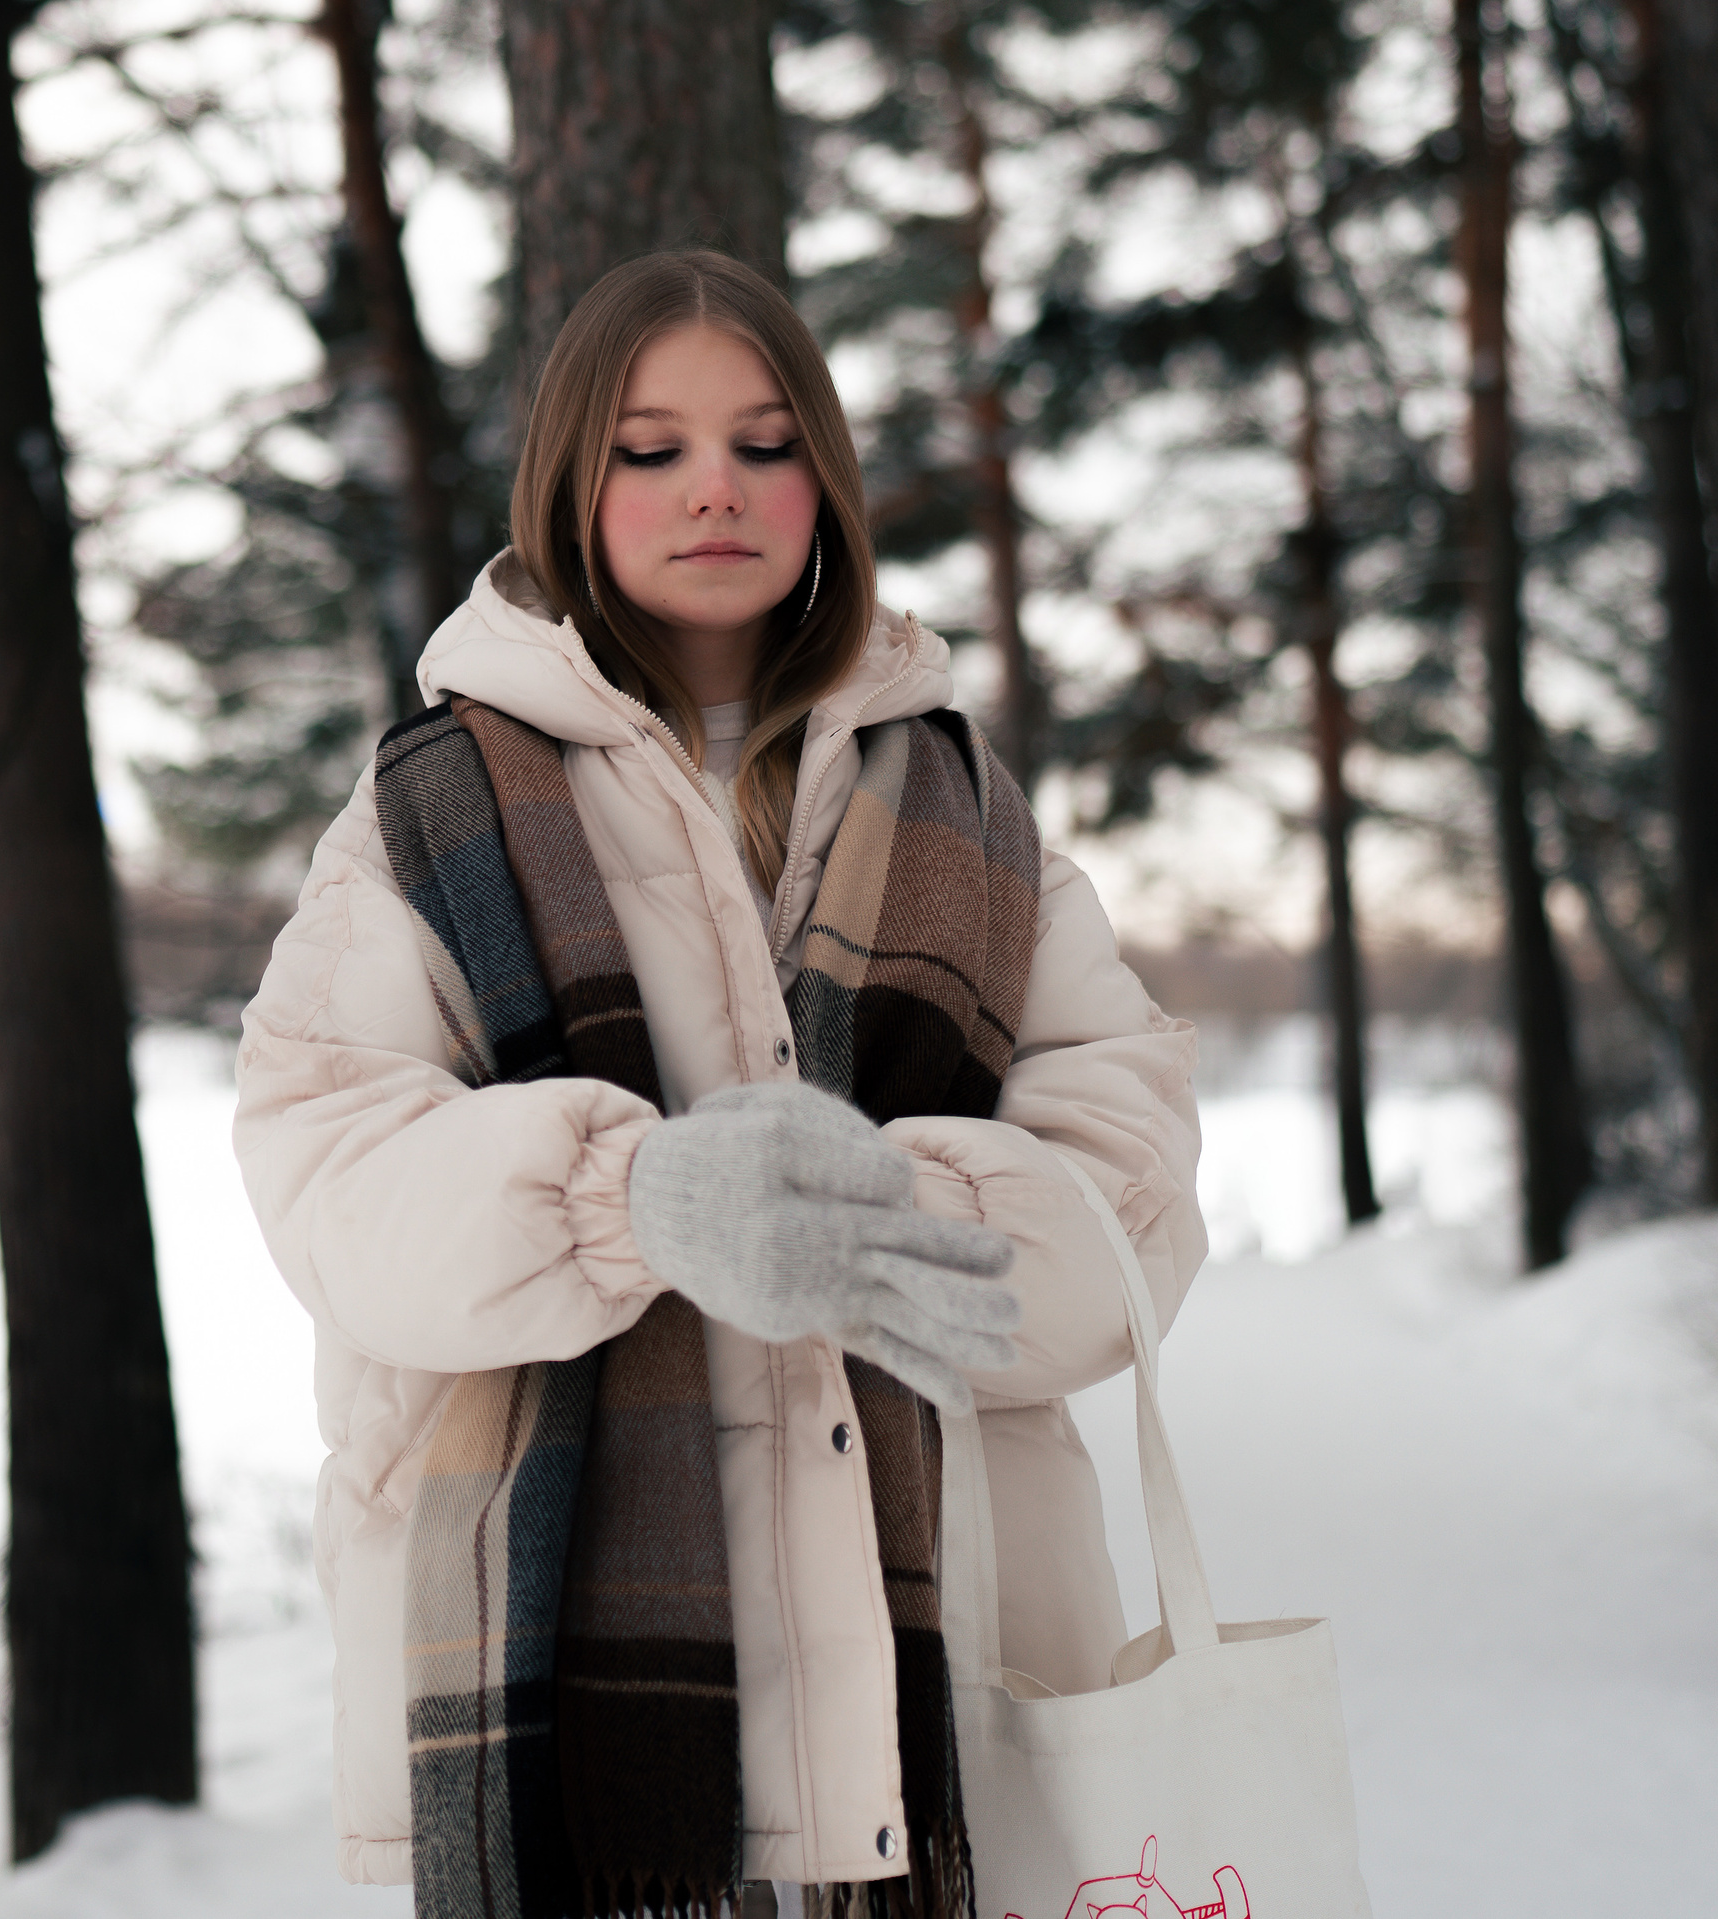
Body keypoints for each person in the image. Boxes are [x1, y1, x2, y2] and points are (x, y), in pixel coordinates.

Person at [233, 250, 1207, 1919]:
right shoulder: (430, 812)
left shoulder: (969, 810)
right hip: (583, 1712)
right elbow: (330, 1184)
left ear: (823, 478)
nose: (715, 491)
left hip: (950, 1677)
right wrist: (628, 1205)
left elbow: (1134, 1196)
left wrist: (905, 1221)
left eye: (765, 444)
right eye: (649, 447)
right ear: (570, 482)